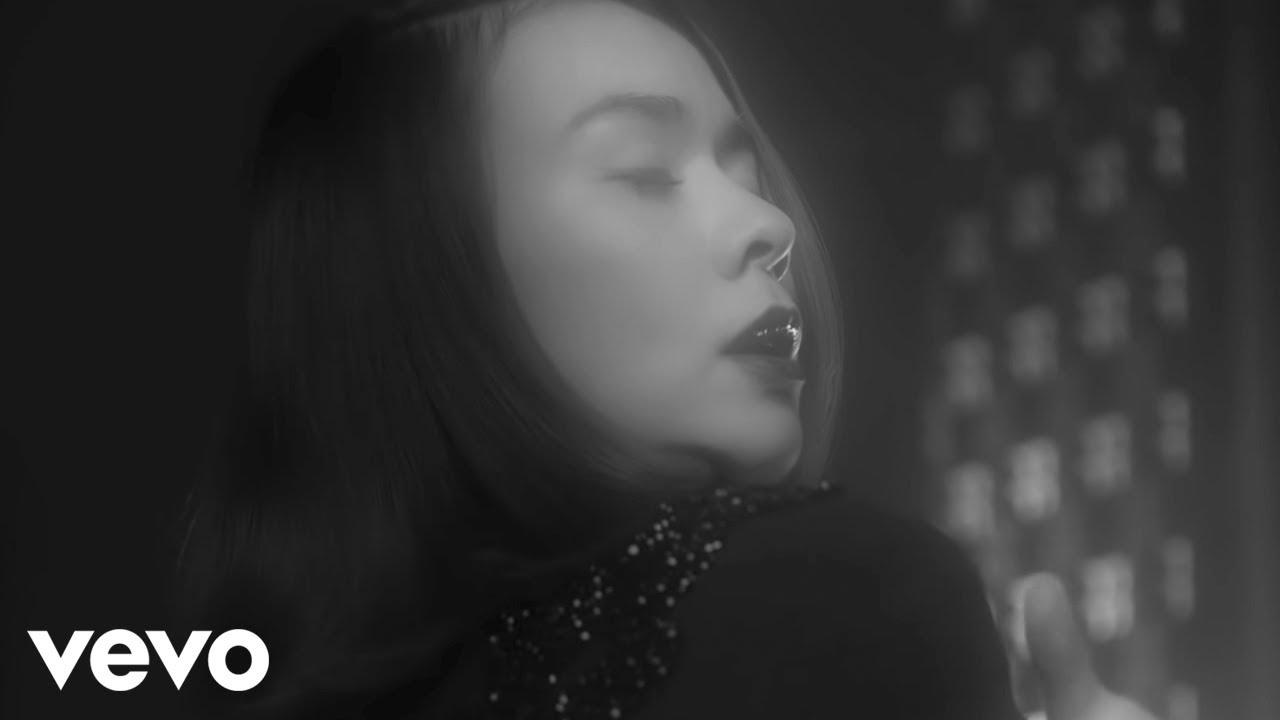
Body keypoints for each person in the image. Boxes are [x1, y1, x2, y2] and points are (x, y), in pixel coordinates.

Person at [174, 1, 1164, 719]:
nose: (769, 223)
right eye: (645, 172)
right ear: (421, 274)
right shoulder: (843, 593)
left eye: (744, 168)